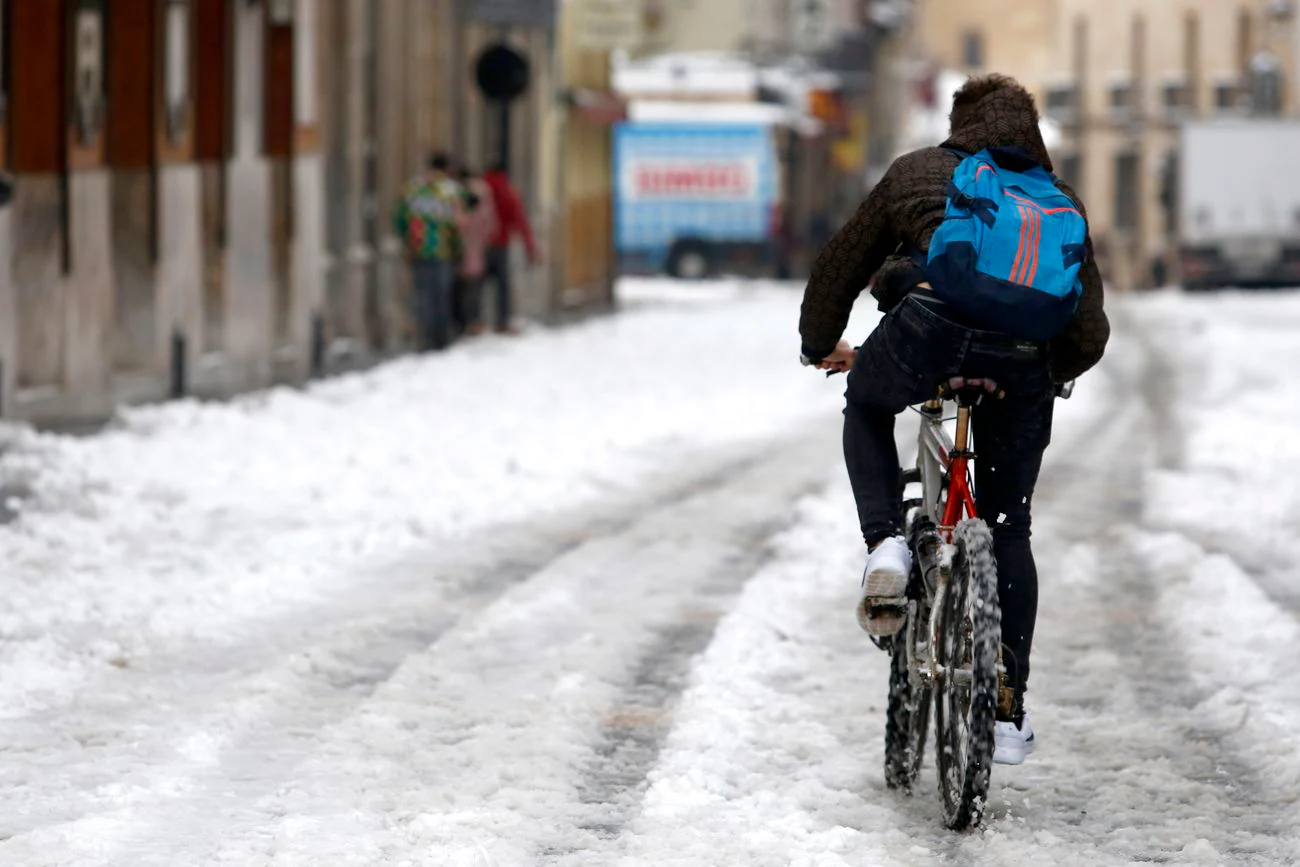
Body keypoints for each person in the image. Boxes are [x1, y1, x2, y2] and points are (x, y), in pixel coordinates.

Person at [797, 74, 1110, 766]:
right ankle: (1005, 710)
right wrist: (1047, 375)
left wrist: (820, 344)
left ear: (959, 123)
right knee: (1009, 526)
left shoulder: (919, 173)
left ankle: (885, 544)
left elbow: (839, 266)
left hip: (928, 334)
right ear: (1030, 134)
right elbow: (1087, 332)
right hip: (1022, 364)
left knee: (869, 405)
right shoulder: (1061, 202)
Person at [393, 152, 464, 351]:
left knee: (422, 294)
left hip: (418, 248)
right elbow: (458, 223)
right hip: (443, 250)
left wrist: (406, 241)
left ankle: (424, 337)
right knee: (441, 295)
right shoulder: (451, 191)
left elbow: (399, 217)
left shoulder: (413, 189)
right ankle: (440, 338)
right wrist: (458, 249)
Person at [482, 161, 542, 334]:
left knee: (476, 287)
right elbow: (520, 220)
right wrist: (531, 247)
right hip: (501, 244)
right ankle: (502, 321)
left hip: (478, 246)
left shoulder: (479, 191)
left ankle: (475, 321)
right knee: (502, 287)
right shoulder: (508, 192)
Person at [454, 168, 500, 336]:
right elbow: (491, 223)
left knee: (462, 287)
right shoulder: (485, 196)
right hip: (477, 246)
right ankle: (474, 320)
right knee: (475, 287)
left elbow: (458, 222)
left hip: (460, 247)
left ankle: (464, 321)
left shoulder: (459, 195)